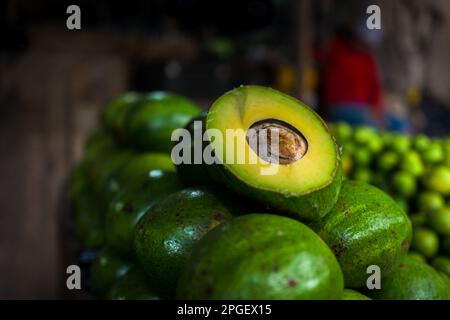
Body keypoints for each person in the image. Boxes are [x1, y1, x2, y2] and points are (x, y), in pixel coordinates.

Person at [320, 24, 384, 127]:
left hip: (362, 107)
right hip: (338, 105)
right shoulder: (337, 48)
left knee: (397, 124)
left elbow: (374, 86)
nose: (363, 46)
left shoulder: (367, 59)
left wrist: (377, 109)